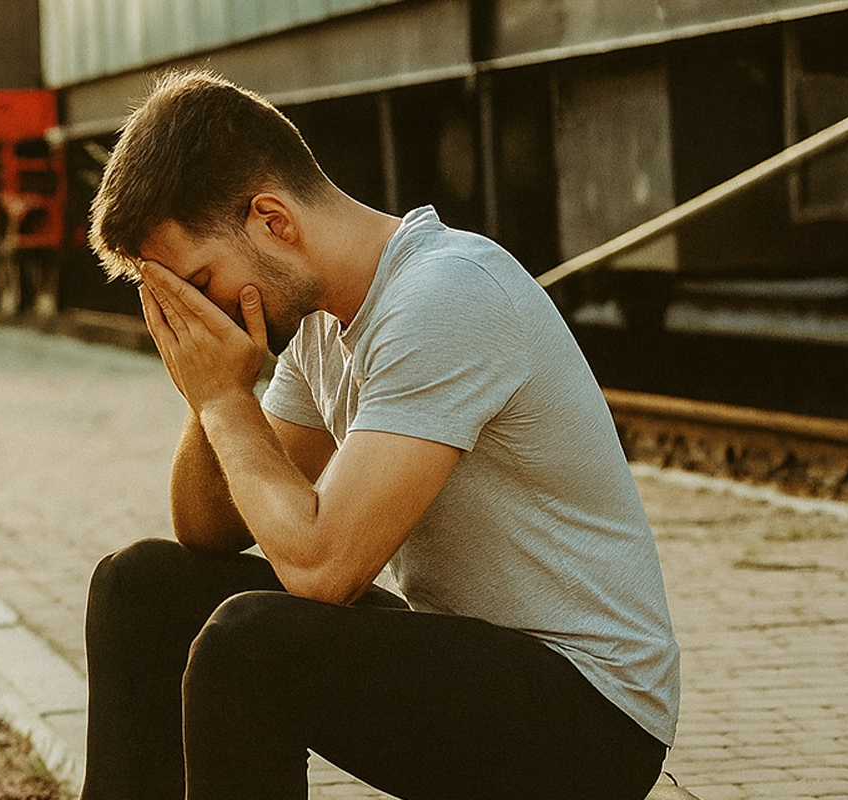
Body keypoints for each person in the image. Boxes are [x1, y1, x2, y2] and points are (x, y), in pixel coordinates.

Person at [83, 69, 680, 800]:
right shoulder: (318, 329)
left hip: (592, 715)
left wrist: (220, 396)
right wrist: (211, 387)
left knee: (249, 647)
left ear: (273, 220)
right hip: (471, 663)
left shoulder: (447, 293)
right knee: (140, 587)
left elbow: (323, 568)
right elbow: (209, 529)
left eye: (199, 284)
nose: (197, 315)